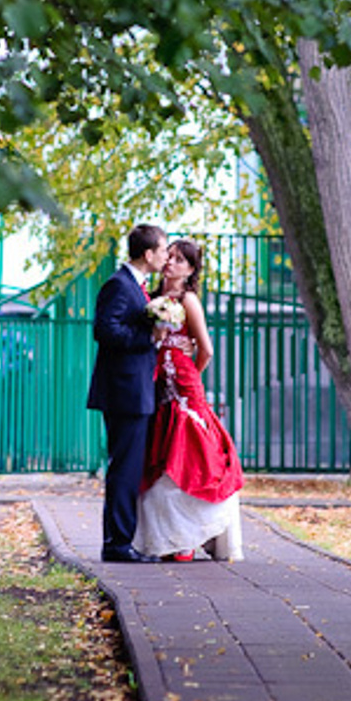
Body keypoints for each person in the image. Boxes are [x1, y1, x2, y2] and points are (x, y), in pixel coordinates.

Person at [135, 238, 244, 562]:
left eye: (181, 260)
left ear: (191, 269)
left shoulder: (188, 300)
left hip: (184, 388)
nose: (171, 263)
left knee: (191, 459)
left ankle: (190, 538)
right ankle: (165, 537)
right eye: (169, 257)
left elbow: (205, 348)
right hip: (155, 386)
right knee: (157, 462)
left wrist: (187, 374)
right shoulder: (152, 299)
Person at [87, 224, 169, 563]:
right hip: (124, 392)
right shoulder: (119, 285)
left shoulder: (137, 287)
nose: (166, 257)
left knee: (129, 468)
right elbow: (105, 332)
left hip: (135, 390)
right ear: (148, 254)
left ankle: (121, 540)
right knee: (124, 468)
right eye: (163, 250)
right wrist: (149, 338)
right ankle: (118, 545)